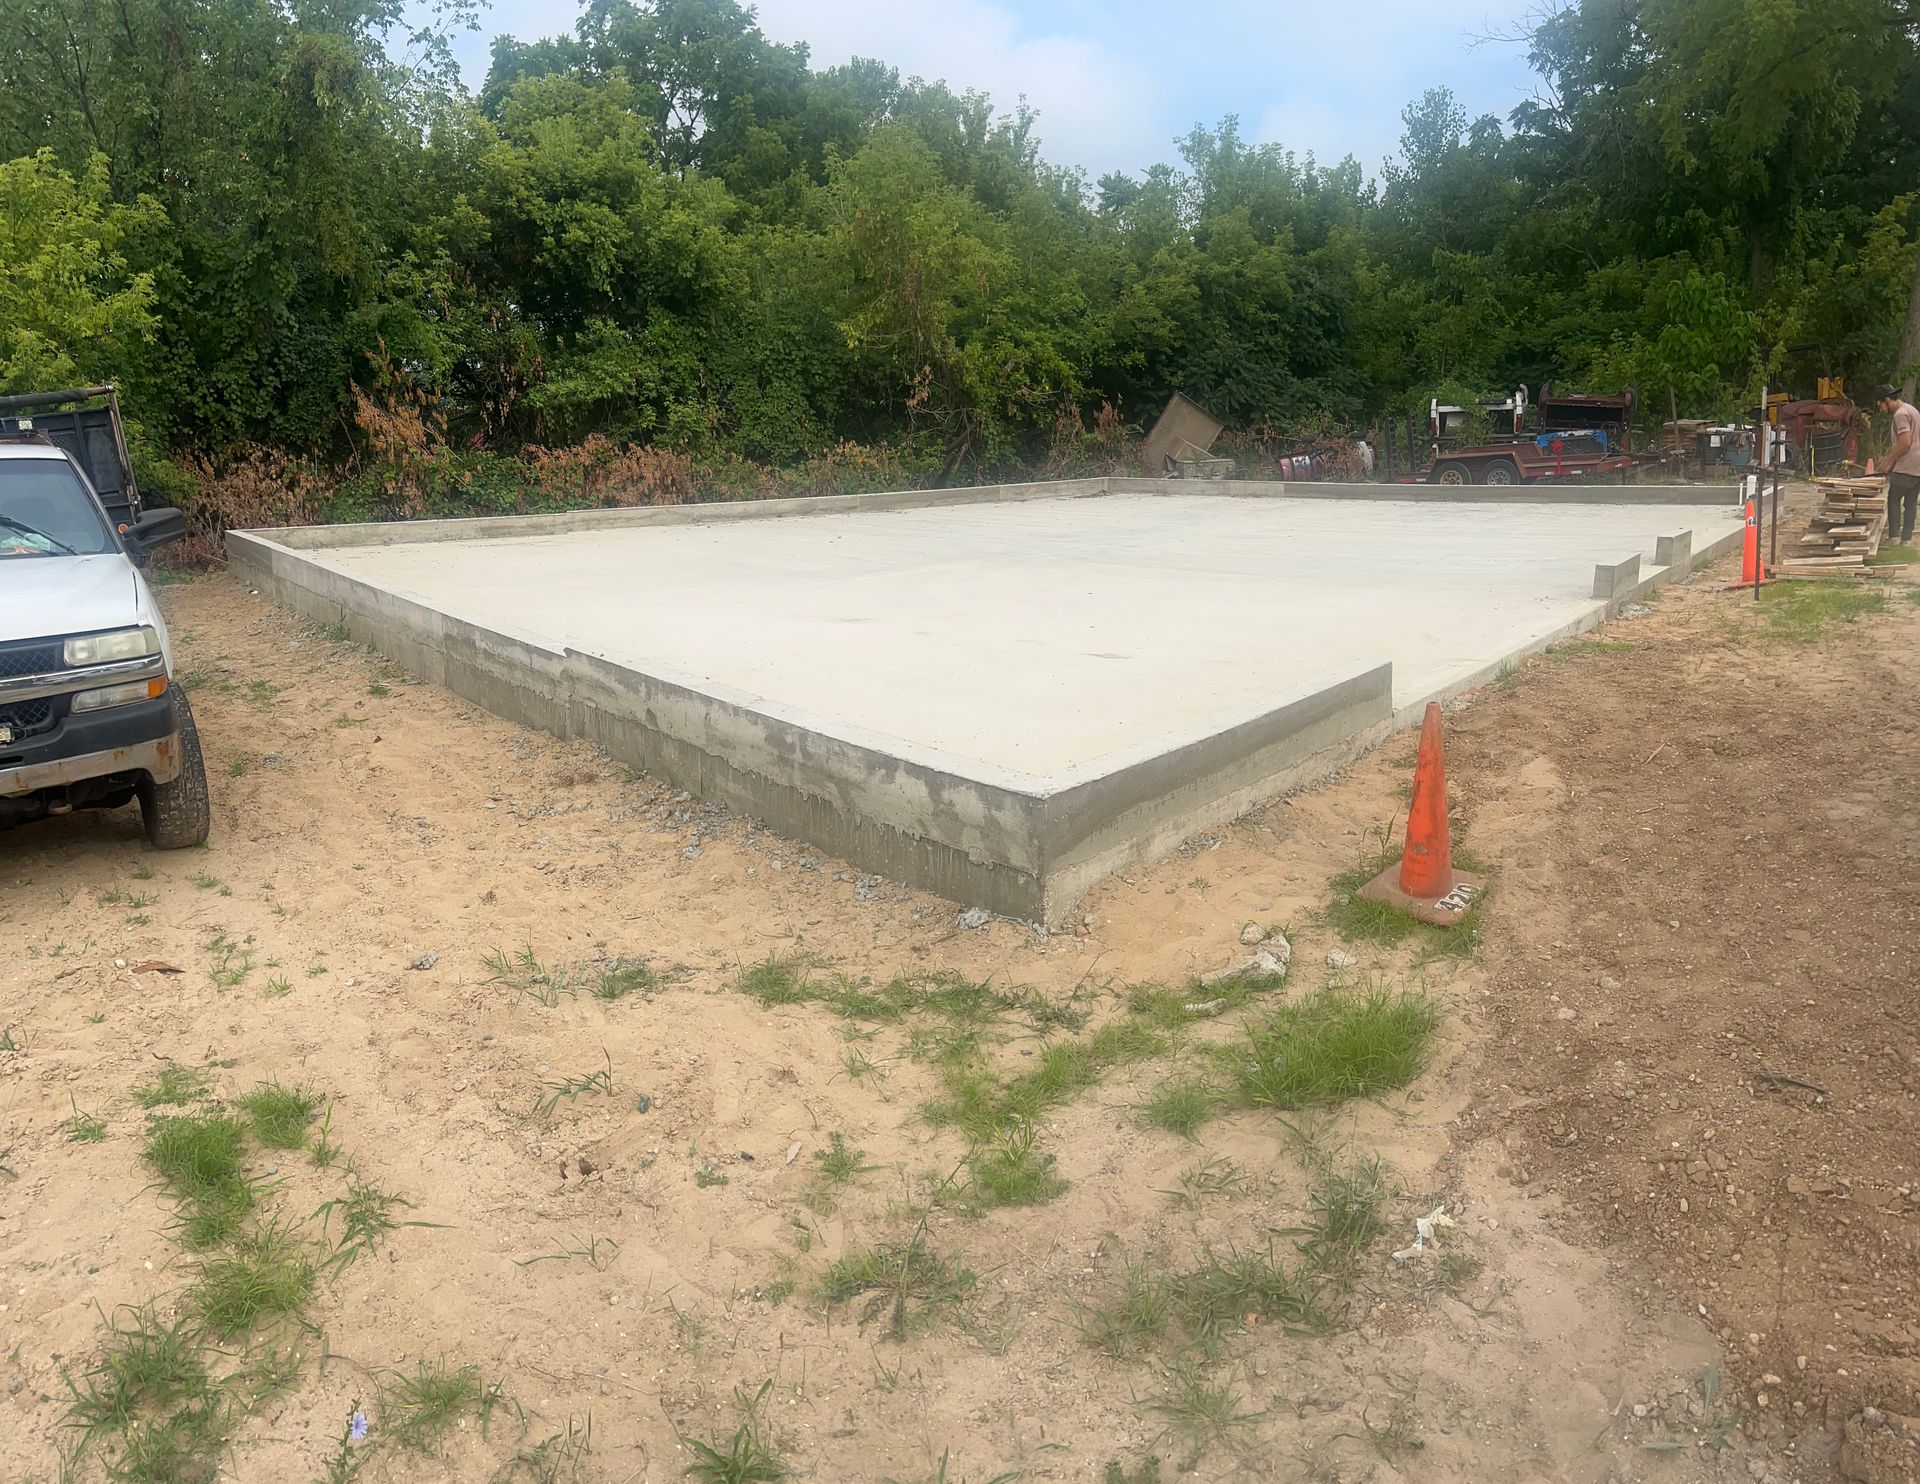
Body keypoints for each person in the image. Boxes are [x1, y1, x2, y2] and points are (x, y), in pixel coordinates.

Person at [1876, 382, 1920, 544]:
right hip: (1918, 465)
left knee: (1893, 498)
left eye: (1880, 404)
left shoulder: (1900, 414)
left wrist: (1887, 461)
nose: (1881, 409)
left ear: (1887, 400)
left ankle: (1894, 537)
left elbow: (1905, 442)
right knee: (1911, 502)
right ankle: (1906, 539)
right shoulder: (1912, 409)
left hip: (1907, 465)